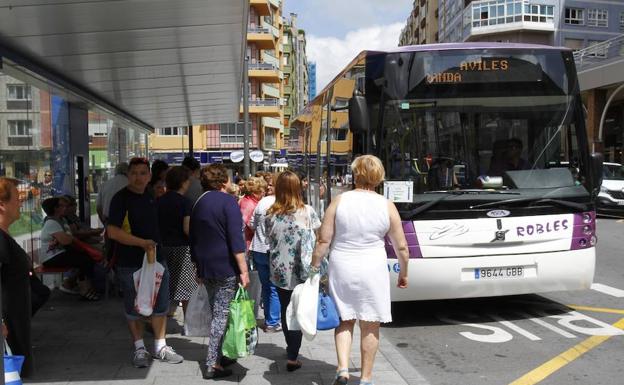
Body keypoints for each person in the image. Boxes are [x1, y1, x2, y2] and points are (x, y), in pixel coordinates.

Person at [310, 155, 409, 385]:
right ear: (379, 176)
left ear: (356, 174)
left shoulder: (340, 201)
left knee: (345, 319)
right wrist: (404, 273)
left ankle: (342, 370)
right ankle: (365, 379)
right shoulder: (387, 205)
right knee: (371, 323)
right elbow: (401, 246)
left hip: (342, 265)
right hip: (372, 267)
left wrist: (314, 268)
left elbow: (323, 241)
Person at [106, 157, 183, 368]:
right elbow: (112, 231)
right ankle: (140, 348)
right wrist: (141, 243)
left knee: (161, 305)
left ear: (149, 176)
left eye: (143, 173)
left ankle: (160, 346)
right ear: (128, 175)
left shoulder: (152, 195)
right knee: (134, 307)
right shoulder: (120, 199)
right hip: (130, 262)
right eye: (134, 173)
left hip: (156, 260)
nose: (138, 177)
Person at [190, 164, 249, 379]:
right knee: (221, 315)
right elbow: (236, 239)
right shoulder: (228, 202)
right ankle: (212, 363)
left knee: (218, 311)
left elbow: (193, 237)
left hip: (206, 265)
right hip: (225, 265)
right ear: (223, 181)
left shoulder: (198, 202)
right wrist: (244, 270)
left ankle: (220, 353)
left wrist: (196, 265)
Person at [265, 171, 321, 372]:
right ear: (298, 188)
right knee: (299, 309)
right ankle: (293, 354)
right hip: (302, 269)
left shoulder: (270, 214)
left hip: (279, 268)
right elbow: (319, 238)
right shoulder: (308, 212)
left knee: (285, 307)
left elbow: (269, 241)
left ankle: (291, 347)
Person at [0, 177, 34, 377]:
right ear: (2, 205)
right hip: (8, 323)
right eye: (16, 198)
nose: (20, 202)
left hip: (15, 320)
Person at [157, 166, 197, 320]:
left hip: (162, 247)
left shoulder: (159, 201)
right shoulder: (186, 203)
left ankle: (159, 323)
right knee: (186, 289)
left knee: (162, 287)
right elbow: (187, 228)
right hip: (182, 248)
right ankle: (188, 322)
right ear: (183, 183)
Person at [40, 196, 99, 300]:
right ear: (55, 208)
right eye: (62, 206)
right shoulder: (52, 223)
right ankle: (84, 288)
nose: (65, 208)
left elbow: (69, 237)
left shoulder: (61, 220)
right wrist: (69, 238)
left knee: (86, 258)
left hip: (60, 253)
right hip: (51, 258)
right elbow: (66, 240)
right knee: (84, 260)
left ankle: (74, 284)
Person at [249, 176, 281, 333]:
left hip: (258, 248)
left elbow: (251, 224)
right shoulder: (280, 203)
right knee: (275, 287)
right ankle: (273, 322)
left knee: (266, 287)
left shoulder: (261, 202)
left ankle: (270, 319)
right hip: (272, 250)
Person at [239, 177, 267, 251]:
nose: (264, 193)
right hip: (247, 242)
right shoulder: (249, 204)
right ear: (254, 192)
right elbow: (250, 225)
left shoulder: (245, 200)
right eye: (262, 191)